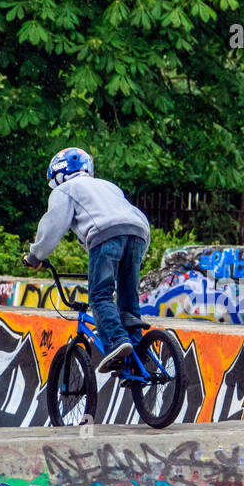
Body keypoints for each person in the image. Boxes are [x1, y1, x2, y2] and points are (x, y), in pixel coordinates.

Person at [24, 148, 151, 373]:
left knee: (100, 295)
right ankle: (138, 357)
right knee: (128, 298)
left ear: (57, 175)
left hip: (105, 235)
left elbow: (53, 225)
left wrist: (36, 257)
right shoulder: (109, 186)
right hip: (139, 234)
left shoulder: (65, 189)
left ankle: (117, 342)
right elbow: (133, 215)